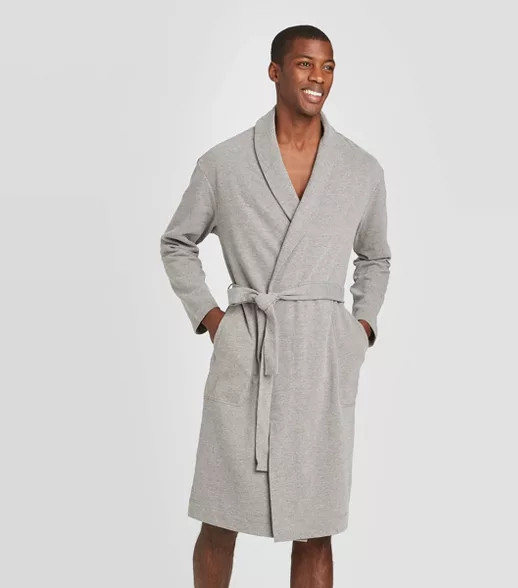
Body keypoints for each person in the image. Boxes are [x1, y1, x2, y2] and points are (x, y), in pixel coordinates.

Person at [160, 24, 391, 588]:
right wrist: (214, 319)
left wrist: (359, 328)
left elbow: (375, 257)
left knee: (316, 529)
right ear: (275, 71)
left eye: (328, 66)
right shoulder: (224, 163)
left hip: (320, 361)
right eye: (305, 64)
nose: (319, 77)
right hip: (248, 355)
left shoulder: (360, 170)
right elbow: (177, 242)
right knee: (219, 518)